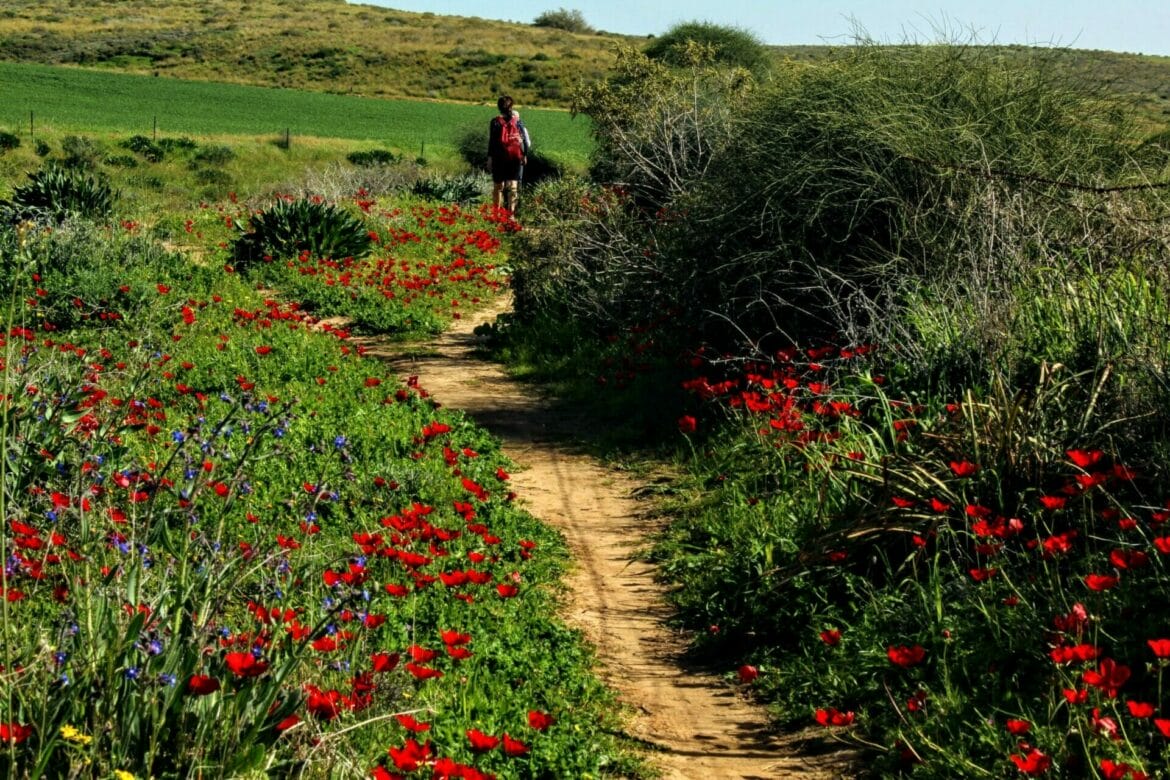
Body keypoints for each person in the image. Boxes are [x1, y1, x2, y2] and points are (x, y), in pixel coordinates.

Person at [487, 95, 530, 214]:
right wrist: (524, 155)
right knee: (513, 186)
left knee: (498, 186)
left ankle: (496, 213)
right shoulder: (518, 121)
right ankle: (511, 214)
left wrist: (489, 158)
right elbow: (524, 140)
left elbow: (492, 141)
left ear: (499, 107)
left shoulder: (495, 122)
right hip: (515, 157)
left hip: (499, 157)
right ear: (512, 106)